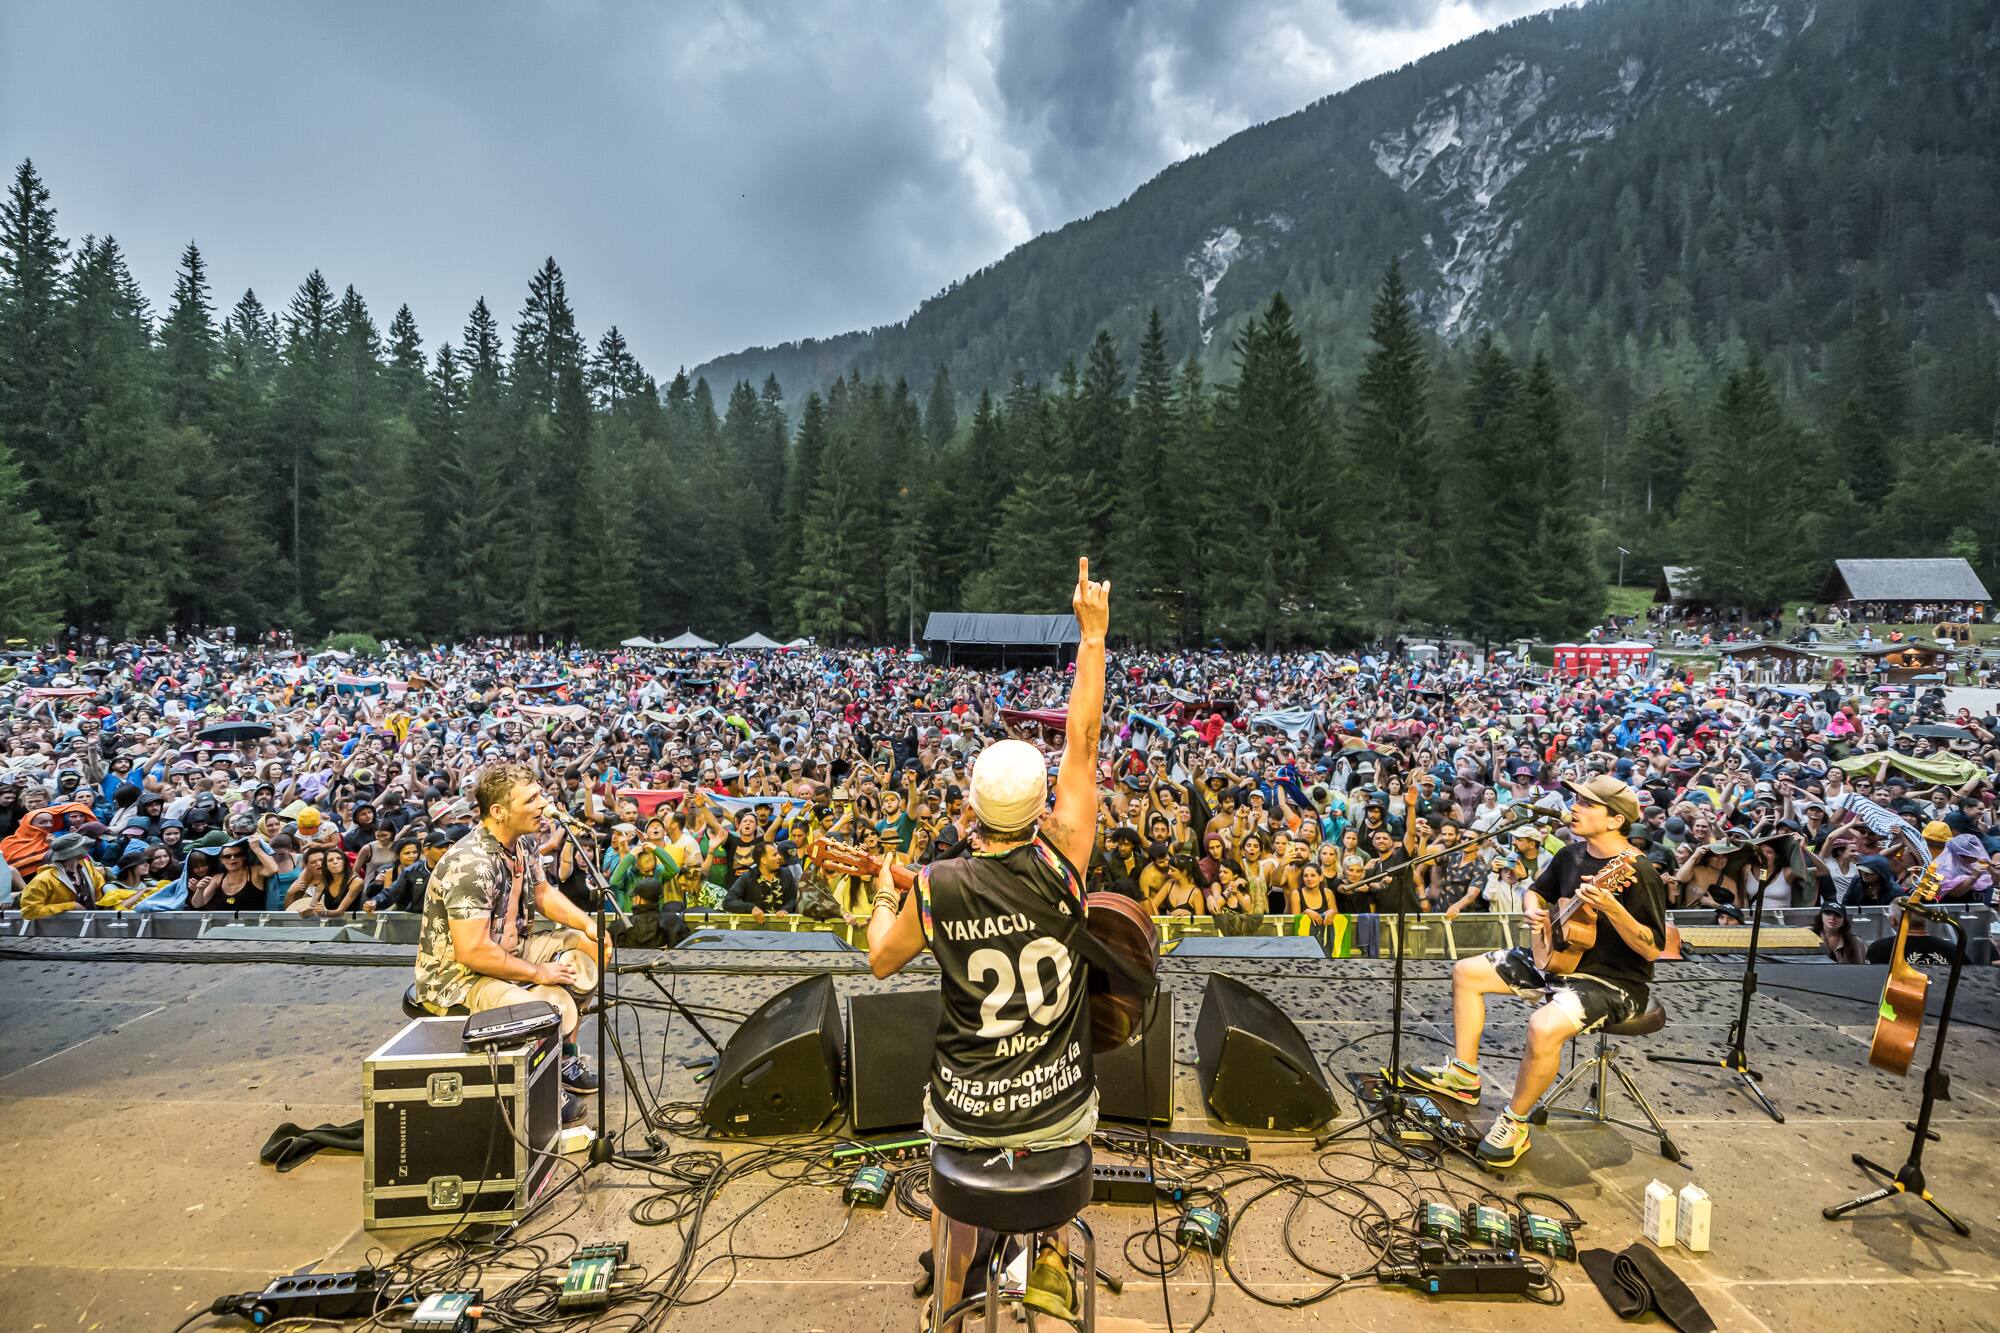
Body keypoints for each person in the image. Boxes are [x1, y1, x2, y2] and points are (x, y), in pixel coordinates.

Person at [866, 556, 1110, 1328]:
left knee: (957, 1174)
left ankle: (951, 1289)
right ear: (1043, 805)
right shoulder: (1066, 856)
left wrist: (882, 889)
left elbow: (879, 957)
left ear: (969, 806)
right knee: (1064, 1128)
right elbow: (1084, 735)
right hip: (1060, 1106)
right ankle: (1051, 1256)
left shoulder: (937, 884)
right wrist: (1093, 634)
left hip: (969, 1110)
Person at [1406, 774, 1668, 1169]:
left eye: (1587, 804)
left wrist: (1613, 908)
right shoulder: (1570, 855)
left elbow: (1652, 946)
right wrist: (1532, 907)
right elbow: (1537, 890)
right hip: (1556, 959)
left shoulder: (1640, 871)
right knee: (1466, 972)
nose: (1575, 808)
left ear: (1615, 820)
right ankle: (1464, 1076)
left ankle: (1516, 1121)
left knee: (1542, 1027)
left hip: (1612, 981)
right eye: (1576, 801)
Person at [412, 761, 610, 1128]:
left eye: (541, 795)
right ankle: (544, 1085)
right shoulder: (471, 864)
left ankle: (564, 1056)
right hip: (459, 977)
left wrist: (588, 925)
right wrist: (540, 972)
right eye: (532, 799)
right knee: (542, 1005)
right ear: (500, 812)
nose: (544, 804)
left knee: (588, 946)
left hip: (510, 949)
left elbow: (543, 893)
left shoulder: (521, 843)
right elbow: (473, 951)